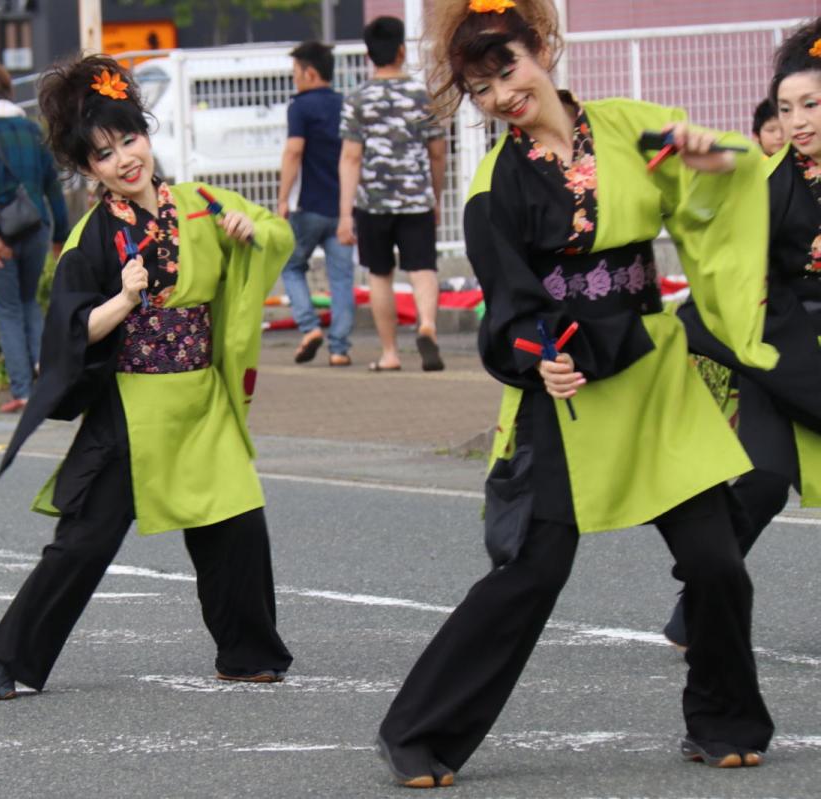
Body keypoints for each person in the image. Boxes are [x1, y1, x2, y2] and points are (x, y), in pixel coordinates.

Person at [375, 0, 777, 787]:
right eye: (479, 87)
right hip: (568, 379)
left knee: (716, 560)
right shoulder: (497, 181)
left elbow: (719, 175)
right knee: (534, 569)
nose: (500, 95)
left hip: (653, 374)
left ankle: (722, 719)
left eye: (508, 69)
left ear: (541, 49)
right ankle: (418, 731)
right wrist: (536, 356)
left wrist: (713, 160)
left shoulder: (631, 127)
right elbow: (509, 302)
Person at [0, 55, 295, 700]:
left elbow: (274, 233)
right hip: (131, 407)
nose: (124, 159)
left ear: (146, 134)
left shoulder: (202, 205)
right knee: (84, 542)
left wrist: (246, 229)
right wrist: (121, 300)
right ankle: (9, 660)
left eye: (129, 139)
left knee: (236, 523)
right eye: (102, 154)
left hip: (202, 400)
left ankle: (247, 652)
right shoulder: (92, 236)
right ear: (85, 168)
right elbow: (66, 331)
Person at [663, 18, 821, 650]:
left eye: (811, 104)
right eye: (786, 108)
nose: (798, 120)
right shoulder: (764, 179)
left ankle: (696, 599)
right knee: (762, 475)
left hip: (802, 347)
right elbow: (720, 250)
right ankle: (703, 584)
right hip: (755, 339)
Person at [339, 16, 447, 372]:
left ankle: (390, 354)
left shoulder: (358, 98)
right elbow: (437, 151)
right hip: (416, 198)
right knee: (422, 268)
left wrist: (345, 214)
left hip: (373, 204)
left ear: (370, 55)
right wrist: (436, 194)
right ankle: (427, 324)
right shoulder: (421, 96)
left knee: (380, 274)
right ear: (402, 50)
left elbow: (351, 157)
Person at [0, 60, 69, 413]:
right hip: (38, 229)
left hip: (0, 236)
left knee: (8, 310)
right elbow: (54, 186)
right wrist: (61, 234)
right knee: (29, 303)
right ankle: (46, 384)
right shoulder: (33, 130)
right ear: (7, 88)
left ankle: (22, 391)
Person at [277, 41, 356, 367]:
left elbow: (294, 151)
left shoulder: (301, 107)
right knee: (342, 279)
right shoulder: (346, 104)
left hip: (309, 207)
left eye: (296, 73)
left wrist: (282, 198)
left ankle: (309, 327)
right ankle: (339, 349)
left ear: (310, 73)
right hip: (343, 210)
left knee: (292, 266)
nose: (295, 79)